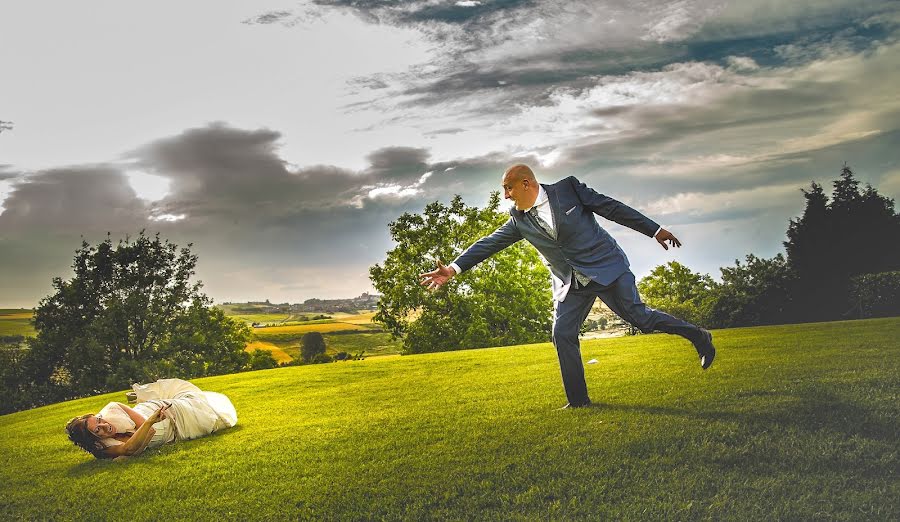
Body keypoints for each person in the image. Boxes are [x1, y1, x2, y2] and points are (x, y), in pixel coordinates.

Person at [420, 164, 716, 409]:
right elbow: (490, 243)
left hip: (607, 267)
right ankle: (578, 402)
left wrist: (653, 230)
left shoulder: (568, 189)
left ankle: (699, 337)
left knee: (642, 319)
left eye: (508, 188)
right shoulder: (518, 220)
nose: (506, 195)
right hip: (571, 283)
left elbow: (612, 208)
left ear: (526, 183)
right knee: (562, 334)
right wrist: (454, 269)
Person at [65, 378, 237, 459]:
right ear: (93, 439)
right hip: (157, 422)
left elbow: (150, 431)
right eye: (98, 430)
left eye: (100, 419)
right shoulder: (101, 449)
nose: (105, 425)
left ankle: (142, 396)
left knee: (208, 414)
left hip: (164, 410)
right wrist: (149, 423)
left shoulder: (115, 408)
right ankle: (140, 396)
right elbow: (128, 450)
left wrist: (149, 422)